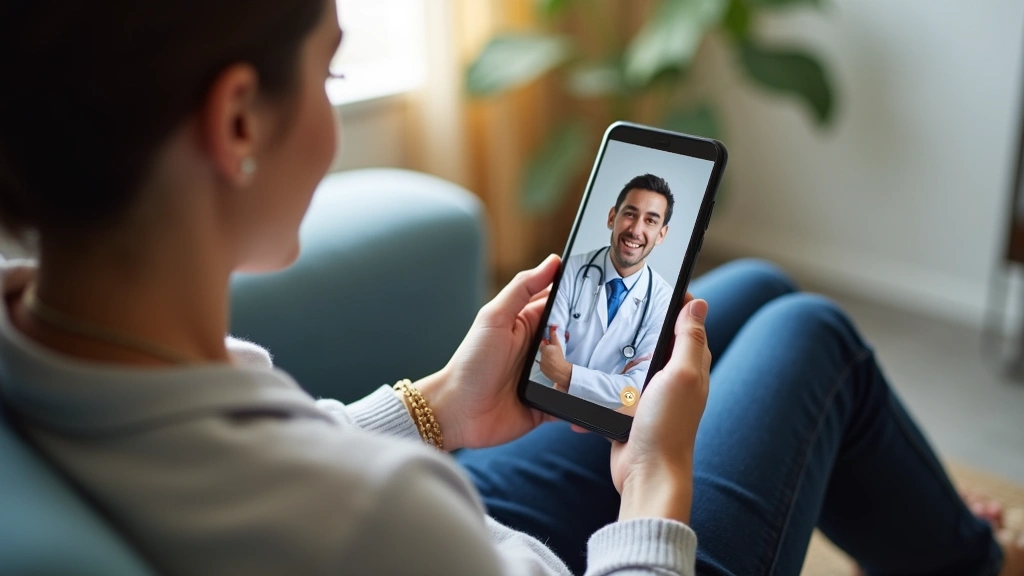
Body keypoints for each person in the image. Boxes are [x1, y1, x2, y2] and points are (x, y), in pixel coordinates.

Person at [0, 1, 1021, 575]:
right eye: (329, 76)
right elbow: (353, 513)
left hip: (464, 527)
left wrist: (438, 405)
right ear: (237, 123)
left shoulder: (50, 333)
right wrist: (655, 483)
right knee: (809, 334)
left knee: (743, 288)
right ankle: (970, 560)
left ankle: (934, 526)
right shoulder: (370, 517)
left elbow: (261, 452)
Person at [534, 174, 674, 410]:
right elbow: (547, 364)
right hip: (546, 405)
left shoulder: (663, 301)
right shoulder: (570, 270)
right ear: (612, 217)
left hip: (607, 419)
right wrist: (616, 386)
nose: (636, 230)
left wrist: (566, 374)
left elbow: (634, 393)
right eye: (630, 214)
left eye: (650, 221)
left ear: (661, 234)